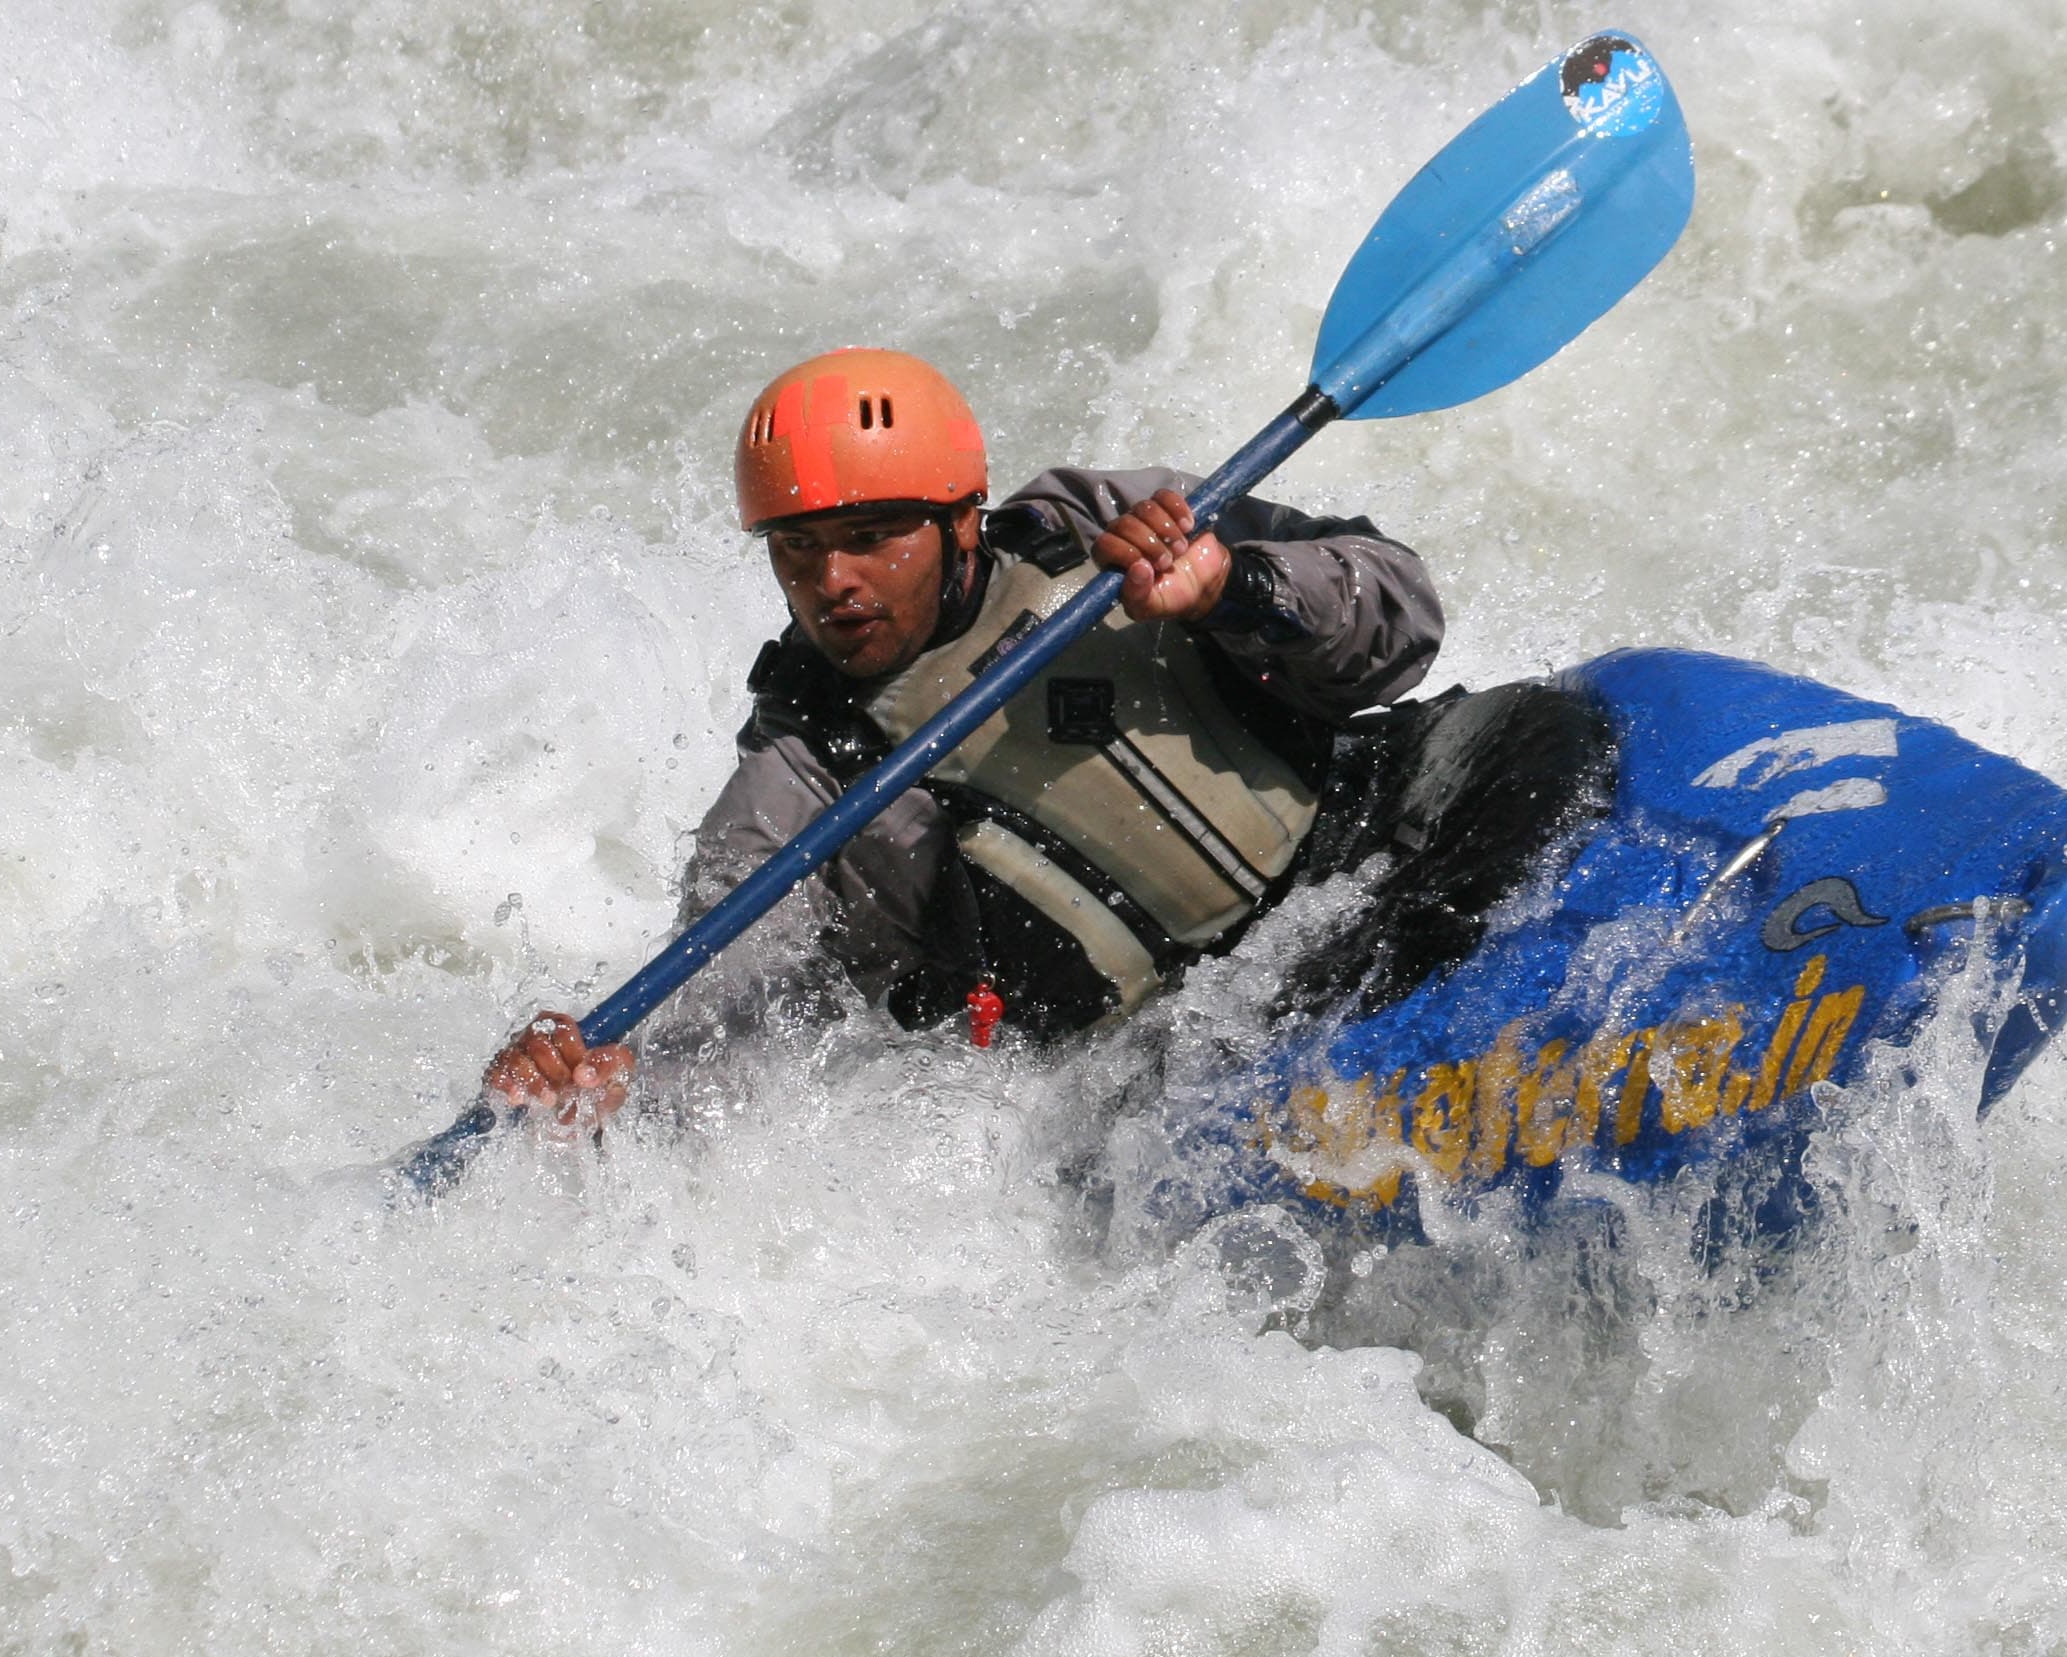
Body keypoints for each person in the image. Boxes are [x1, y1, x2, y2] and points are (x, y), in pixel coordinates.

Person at [485, 347, 1445, 1132]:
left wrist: (1233, 588)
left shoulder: (1090, 533)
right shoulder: (804, 779)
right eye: (800, 547)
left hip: (1372, 856)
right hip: (1207, 1046)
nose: (836, 581)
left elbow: (1404, 616)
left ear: (961, 521)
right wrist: (615, 1089)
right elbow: (734, 1009)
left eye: (875, 535)